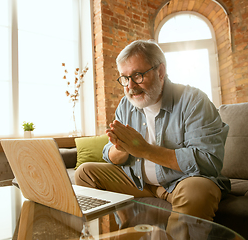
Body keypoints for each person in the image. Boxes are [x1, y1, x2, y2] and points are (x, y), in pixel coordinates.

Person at [75, 39, 230, 222]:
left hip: (181, 182)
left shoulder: (193, 101)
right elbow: (109, 154)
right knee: (85, 173)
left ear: (161, 71)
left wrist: (144, 150)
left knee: (197, 192)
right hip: (138, 182)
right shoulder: (126, 105)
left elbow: (209, 161)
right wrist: (121, 148)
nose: (130, 86)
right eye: (125, 78)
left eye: (138, 75)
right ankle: (117, 231)